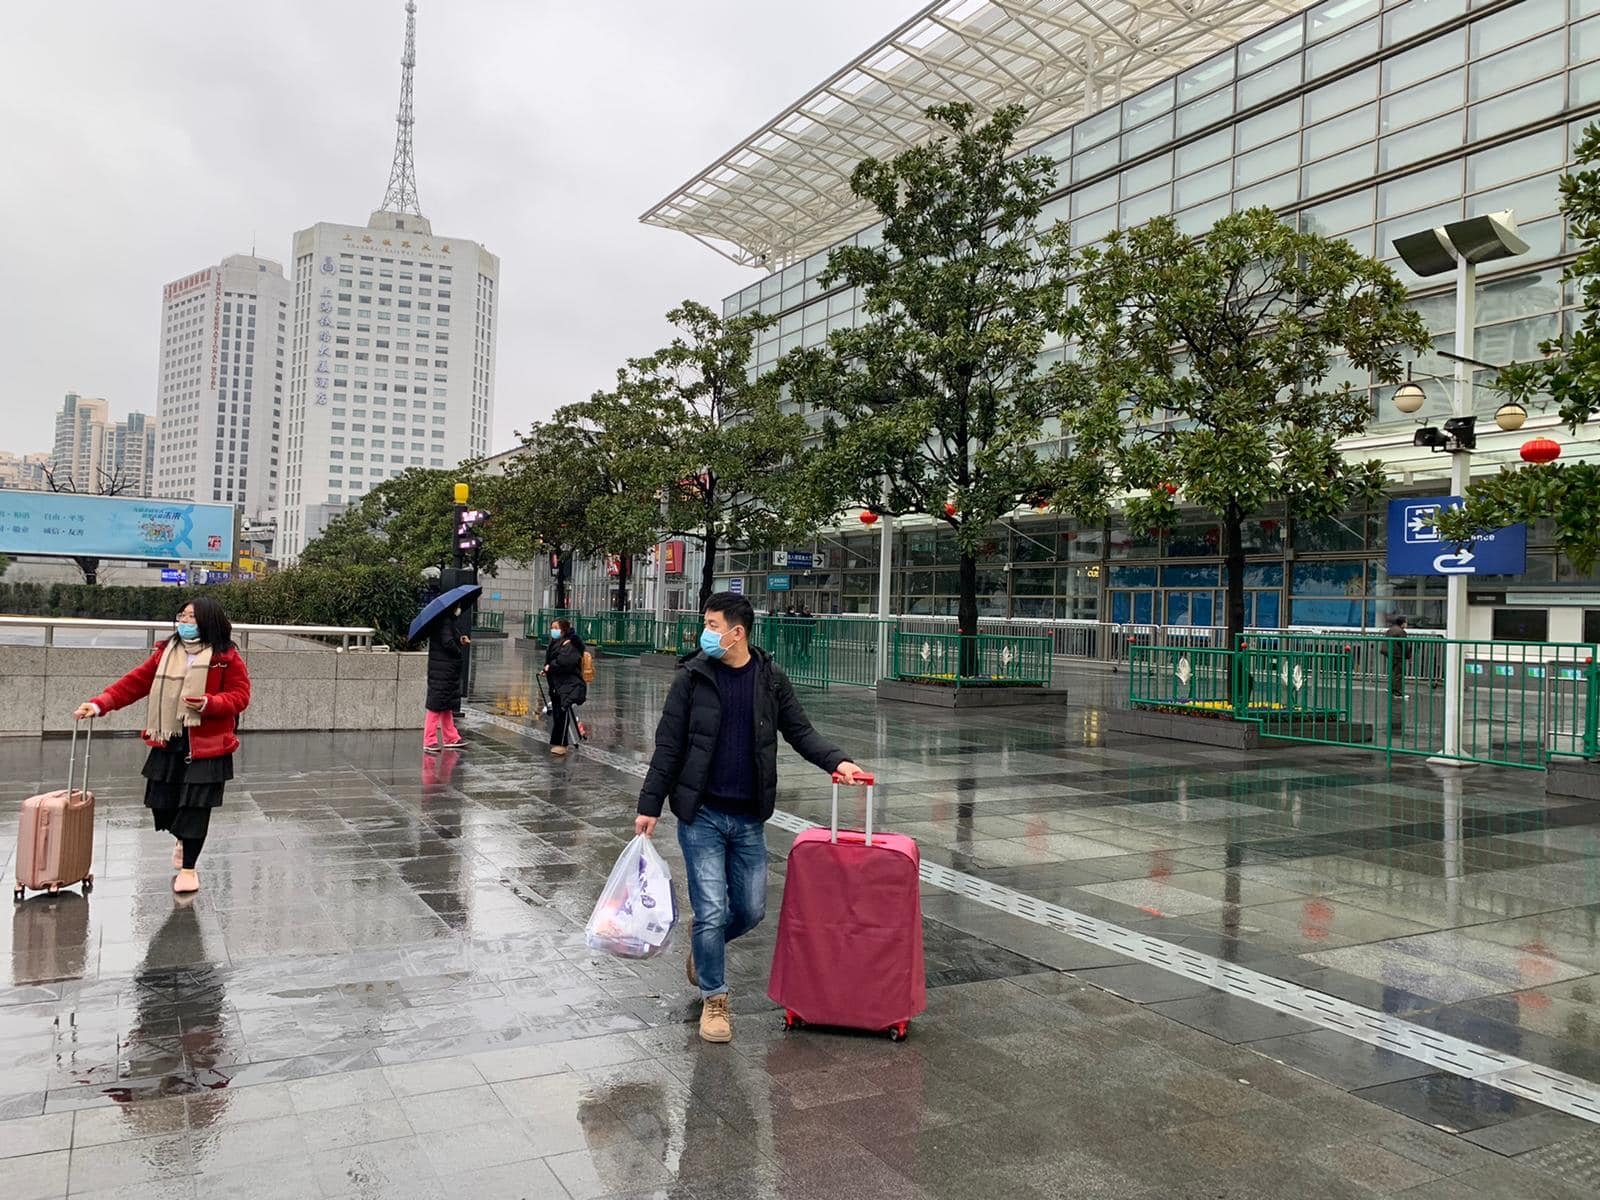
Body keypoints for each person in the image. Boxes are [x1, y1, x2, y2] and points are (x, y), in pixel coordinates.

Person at [635, 591, 865, 1044]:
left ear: (737, 633)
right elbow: (668, 746)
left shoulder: (770, 679)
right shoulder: (691, 679)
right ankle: (715, 999)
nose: (704, 633)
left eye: (712, 625)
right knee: (711, 909)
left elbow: (800, 731)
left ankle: (705, 946)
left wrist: (838, 761)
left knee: (751, 909)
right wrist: (649, 805)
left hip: (748, 817)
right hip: (701, 814)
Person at [73, 598, 251, 895]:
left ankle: (189, 868)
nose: (185, 621)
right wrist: (99, 704)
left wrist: (209, 703)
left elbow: (240, 695)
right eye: (182, 615)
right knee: (161, 803)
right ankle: (181, 837)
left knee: (196, 807)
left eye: (192, 617)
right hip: (169, 737)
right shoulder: (165, 652)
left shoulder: (225, 657)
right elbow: (135, 683)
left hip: (208, 744)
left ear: (209, 620)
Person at [423, 603, 470, 753]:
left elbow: (450, 638)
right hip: (442, 670)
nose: (459, 609)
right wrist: (458, 651)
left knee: (445, 704)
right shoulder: (444, 621)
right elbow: (447, 642)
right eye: (458, 606)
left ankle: (451, 737)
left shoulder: (447, 621)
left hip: (445, 669)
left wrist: (460, 639)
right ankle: (429, 740)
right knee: (436, 705)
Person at [542, 617, 587, 757]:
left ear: (564, 629)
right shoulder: (555, 642)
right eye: (552, 627)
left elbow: (565, 662)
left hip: (568, 684)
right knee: (558, 713)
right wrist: (546, 669)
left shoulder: (570, 643)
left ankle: (562, 744)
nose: (553, 630)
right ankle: (558, 742)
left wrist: (550, 667)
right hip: (557, 684)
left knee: (563, 713)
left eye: (556, 628)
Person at [1383, 612, 1411, 699]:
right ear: (1402, 623)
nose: (1407, 624)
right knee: (1398, 674)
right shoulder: (1401, 632)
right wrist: (1408, 655)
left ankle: (1391, 689)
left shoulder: (1390, 630)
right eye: (1406, 622)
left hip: (1390, 653)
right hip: (1398, 654)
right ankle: (1397, 693)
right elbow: (1404, 645)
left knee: (1393, 672)